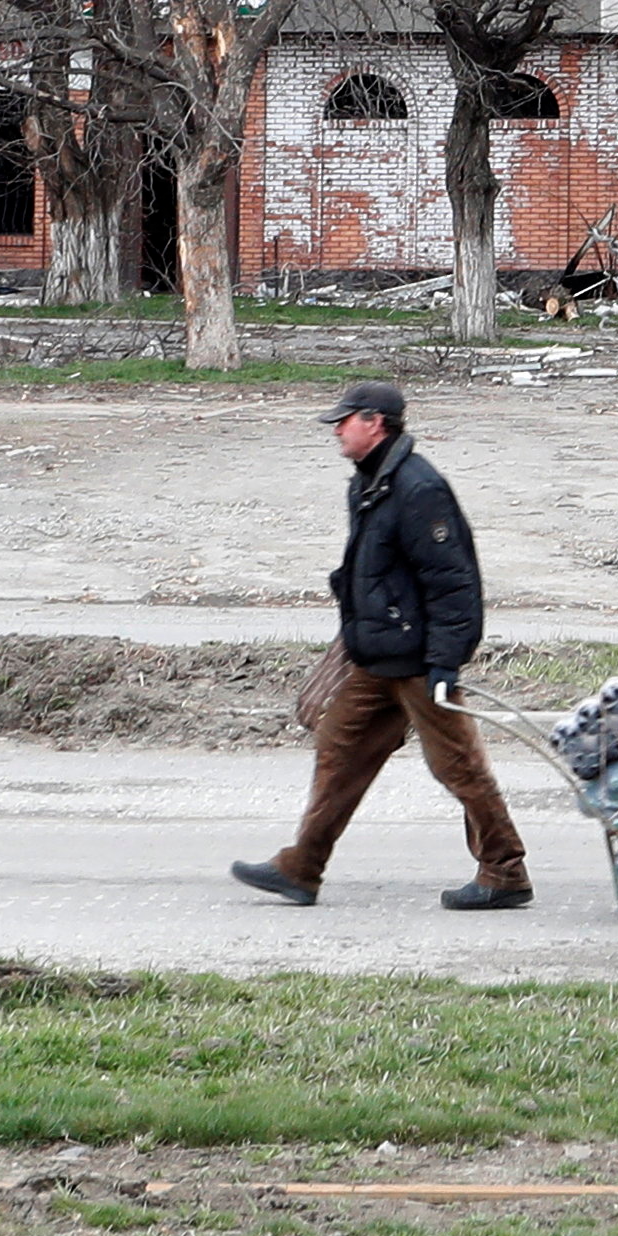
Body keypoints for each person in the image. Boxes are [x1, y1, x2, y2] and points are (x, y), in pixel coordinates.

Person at [231, 381, 533, 910]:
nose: (336, 429)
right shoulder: (370, 482)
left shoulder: (419, 489)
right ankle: (302, 868)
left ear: (376, 422)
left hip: (417, 662)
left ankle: (505, 870)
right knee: (337, 753)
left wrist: (445, 661)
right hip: (375, 659)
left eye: (344, 420)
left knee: (458, 767)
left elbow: (455, 582)